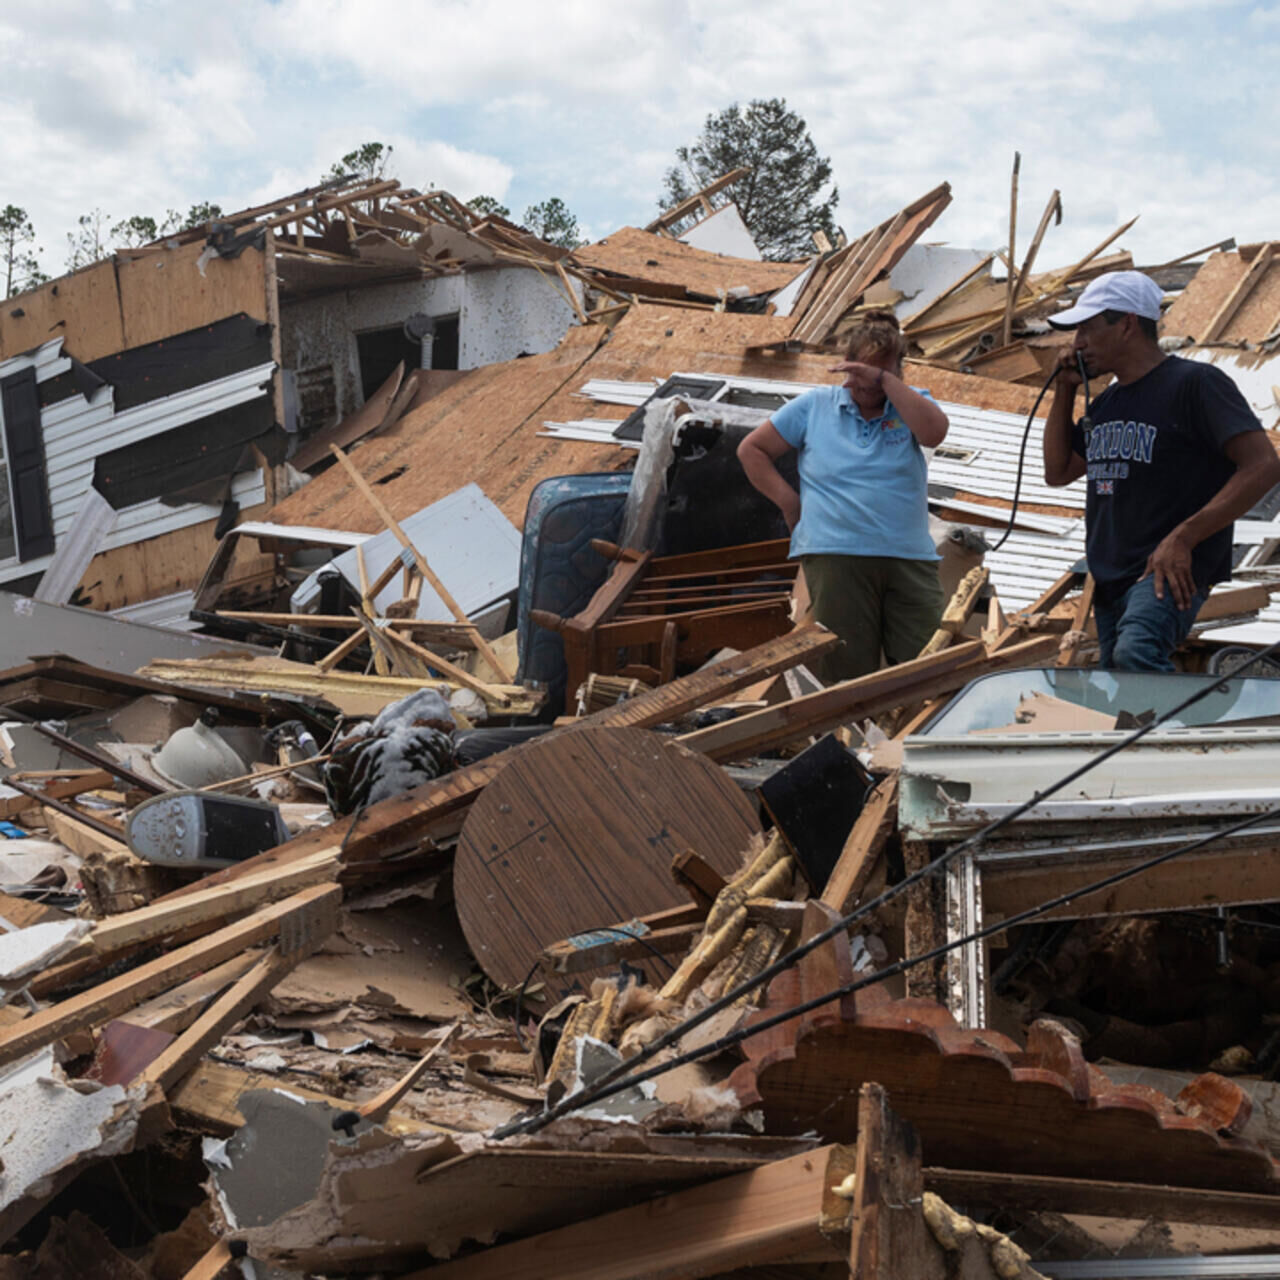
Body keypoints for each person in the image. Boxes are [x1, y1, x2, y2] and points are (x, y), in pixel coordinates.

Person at [1044, 269, 1280, 671]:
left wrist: (1185, 536)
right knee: (1123, 682)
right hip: (1111, 573)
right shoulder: (1107, 403)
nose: (1077, 343)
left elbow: (1263, 466)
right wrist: (1065, 389)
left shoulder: (1196, 384)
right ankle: (1163, 734)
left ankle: (1185, 735)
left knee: (1136, 655)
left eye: (1087, 328)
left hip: (1165, 570)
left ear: (1128, 325)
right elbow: (1059, 471)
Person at [737, 310, 949, 682]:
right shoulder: (816, 405)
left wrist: (886, 382)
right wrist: (790, 503)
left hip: (909, 556)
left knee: (927, 666)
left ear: (898, 371)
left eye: (879, 378)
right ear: (846, 367)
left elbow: (934, 433)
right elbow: (751, 451)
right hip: (837, 554)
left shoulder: (911, 403)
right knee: (847, 671)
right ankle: (851, 740)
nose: (868, 389)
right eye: (859, 376)